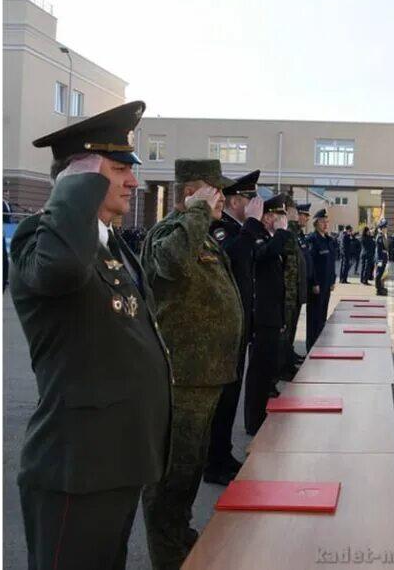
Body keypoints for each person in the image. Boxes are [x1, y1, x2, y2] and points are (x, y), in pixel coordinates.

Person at [9, 101, 172, 570]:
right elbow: (60, 270)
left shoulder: (109, 243)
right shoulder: (38, 238)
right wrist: (77, 186)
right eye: (119, 168)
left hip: (116, 460)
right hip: (75, 470)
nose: (134, 181)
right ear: (80, 175)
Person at [139, 159, 244, 570]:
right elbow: (171, 263)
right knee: (171, 480)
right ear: (190, 194)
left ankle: (180, 544)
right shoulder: (170, 232)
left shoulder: (200, 234)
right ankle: (169, 556)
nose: (224, 198)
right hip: (183, 378)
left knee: (188, 473)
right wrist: (199, 211)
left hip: (204, 378)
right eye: (215, 191)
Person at [204, 170, 265, 486]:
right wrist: (253, 226)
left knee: (232, 395)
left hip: (240, 323)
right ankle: (214, 462)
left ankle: (223, 454)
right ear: (236, 200)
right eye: (251, 199)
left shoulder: (241, 229)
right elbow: (229, 258)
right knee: (224, 396)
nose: (256, 206)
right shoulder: (220, 228)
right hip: (224, 328)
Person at [244, 194, 292, 435]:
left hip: (272, 314)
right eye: (275, 215)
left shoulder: (271, 239)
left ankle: (260, 415)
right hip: (261, 316)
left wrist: (282, 318)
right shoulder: (257, 237)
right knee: (258, 371)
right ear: (266, 217)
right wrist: (281, 234)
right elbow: (263, 256)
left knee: (267, 370)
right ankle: (253, 421)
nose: (280, 220)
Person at [278, 197, 310, 384]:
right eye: (295, 212)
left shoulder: (295, 233)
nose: (298, 215)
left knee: (290, 332)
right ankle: (280, 369)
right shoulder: (287, 232)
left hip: (295, 290)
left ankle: (287, 363)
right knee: (284, 334)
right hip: (287, 292)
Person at [307, 209, 337, 348]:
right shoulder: (313, 240)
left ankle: (319, 345)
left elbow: (331, 262)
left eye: (327, 222)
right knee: (314, 317)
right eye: (322, 222)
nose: (325, 224)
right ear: (316, 223)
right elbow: (311, 263)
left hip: (326, 284)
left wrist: (332, 280)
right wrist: (314, 282)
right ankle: (311, 346)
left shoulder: (329, 240)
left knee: (322, 316)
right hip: (317, 285)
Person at [374, 218, 391, 295]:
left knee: (382, 273)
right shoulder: (380, 237)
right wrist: (379, 260)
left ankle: (381, 287)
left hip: (383, 257)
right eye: (385, 227)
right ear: (382, 228)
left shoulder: (383, 236)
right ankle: (378, 288)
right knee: (379, 274)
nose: (386, 229)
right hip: (381, 258)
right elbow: (379, 250)